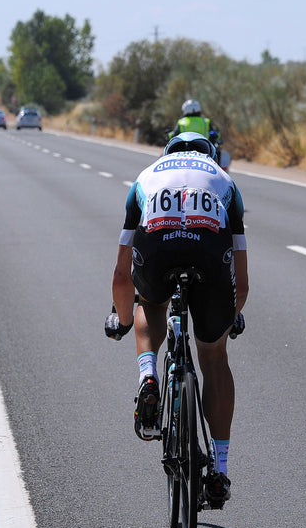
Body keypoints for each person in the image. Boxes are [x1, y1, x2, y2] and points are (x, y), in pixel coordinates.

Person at [104, 131, 249, 504]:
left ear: (167, 152)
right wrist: (230, 317)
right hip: (209, 252)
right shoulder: (224, 179)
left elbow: (122, 275)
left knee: (150, 304)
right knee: (214, 359)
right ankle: (219, 471)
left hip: (157, 246)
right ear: (211, 154)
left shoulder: (147, 175)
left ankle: (149, 375)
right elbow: (242, 280)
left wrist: (122, 321)